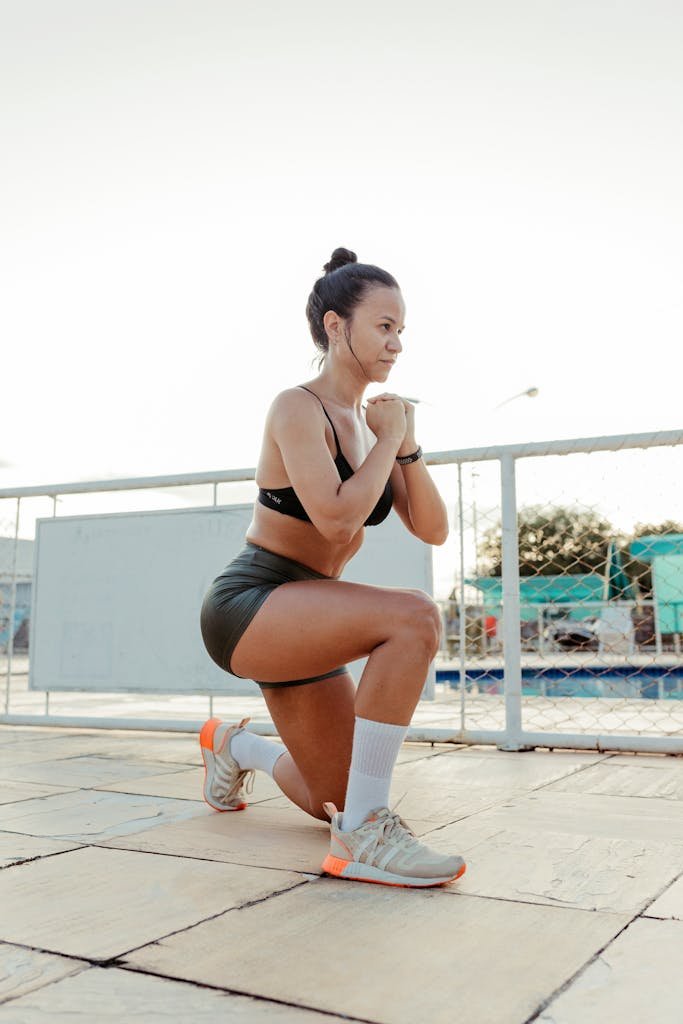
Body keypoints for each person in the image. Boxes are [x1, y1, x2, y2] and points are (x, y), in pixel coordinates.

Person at [199, 248, 466, 888]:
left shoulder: (374, 421)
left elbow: (432, 529)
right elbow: (339, 520)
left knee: (329, 796)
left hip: (309, 613)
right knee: (413, 618)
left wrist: (405, 444)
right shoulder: (296, 407)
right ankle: (367, 832)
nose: (397, 342)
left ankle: (233, 746)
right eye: (384, 325)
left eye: (402, 329)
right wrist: (387, 434)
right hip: (252, 604)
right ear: (335, 326)